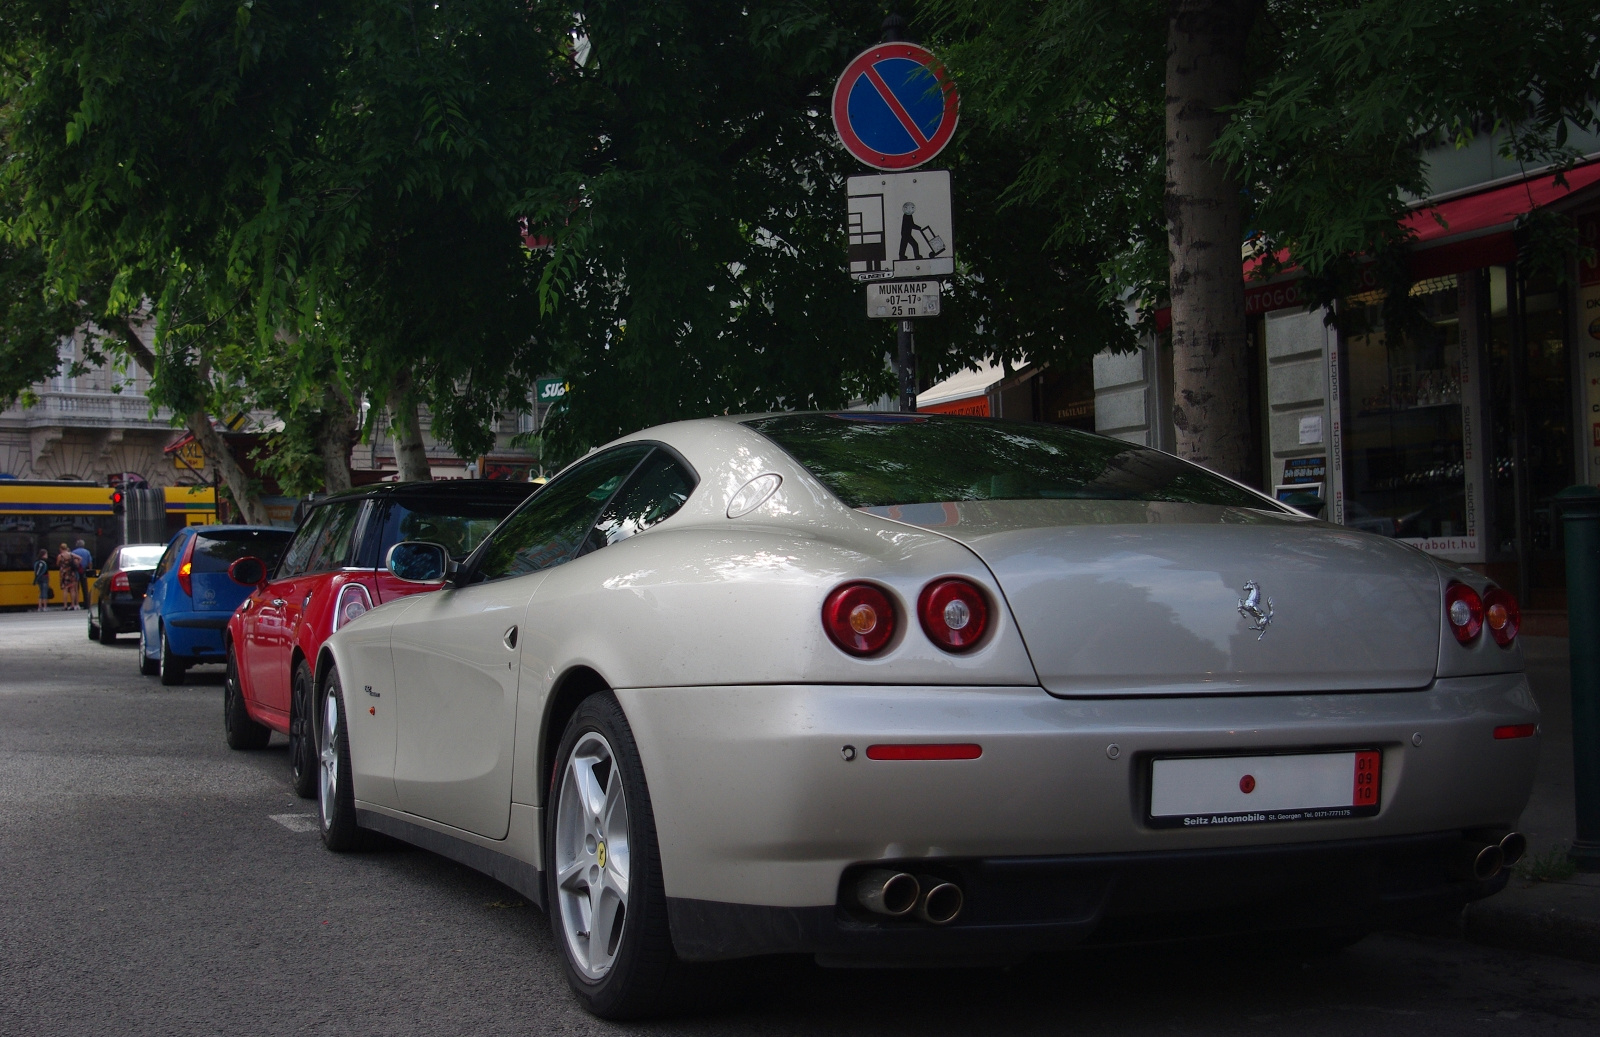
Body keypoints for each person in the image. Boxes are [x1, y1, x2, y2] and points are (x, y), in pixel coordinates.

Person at [57, 542, 81, 611]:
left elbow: (58, 564)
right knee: (72, 589)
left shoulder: (60, 556)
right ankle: (73, 604)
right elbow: (80, 558)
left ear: (61, 548)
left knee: (65, 589)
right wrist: (76, 565)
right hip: (71, 573)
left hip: (64, 573)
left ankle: (65, 605)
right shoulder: (71, 554)